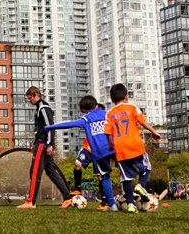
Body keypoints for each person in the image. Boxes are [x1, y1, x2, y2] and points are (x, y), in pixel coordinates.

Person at [45, 95, 118, 211]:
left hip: (99, 152)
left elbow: (70, 123)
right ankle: (128, 200)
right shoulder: (108, 114)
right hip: (113, 148)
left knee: (103, 177)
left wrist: (50, 127)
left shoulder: (87, 118)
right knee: (124, 174)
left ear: (84, 110)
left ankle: (111, 204)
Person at [104, 83, 161, 213]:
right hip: (135, 145)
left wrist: (110, 144)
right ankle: (141, 185)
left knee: (126, 178)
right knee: (146, 168)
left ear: (112, 100)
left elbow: (107, 131)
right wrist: (153, 131)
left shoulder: (109, 113)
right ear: (126, 96)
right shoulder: (132, 107)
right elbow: (142, 122)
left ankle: (130, 204)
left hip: (120, 149)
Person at [16, 86, 73, 209]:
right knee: (51, 172)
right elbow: (39, 128)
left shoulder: (43, 107)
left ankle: (31, 202)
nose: (29, 101)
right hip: (39, 143)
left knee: (35, 173)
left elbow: (49, 126)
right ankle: (67, 197)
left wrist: (50, 144)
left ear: (36, 95)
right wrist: (34, 144)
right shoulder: (38, 108)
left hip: (43, 145)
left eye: (30, 98)